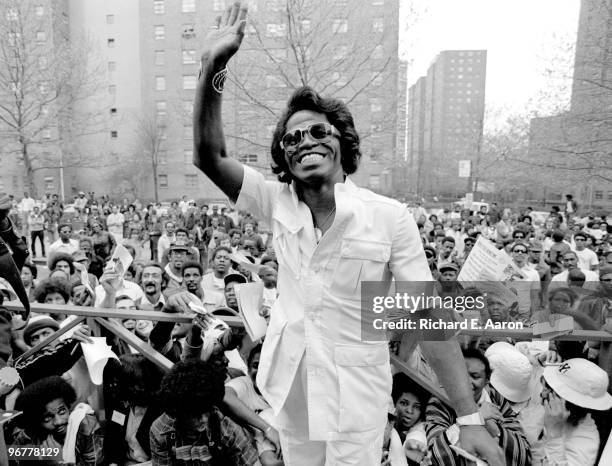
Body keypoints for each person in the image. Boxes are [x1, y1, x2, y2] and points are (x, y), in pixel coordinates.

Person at [192, 4, 505, 465]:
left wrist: (469, 417)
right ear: (284, 158)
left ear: (343, 142)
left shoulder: (389, 217)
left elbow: (424, 316)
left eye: (318, 131)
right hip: (292, 394)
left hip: (354, 401)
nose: (304, 142)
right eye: (291, 139)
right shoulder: (275, 202)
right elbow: (208, 155)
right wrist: (213, 68)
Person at [150, 359, 260, 465]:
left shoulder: (224, 427)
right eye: (195, 415)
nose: (204, 419)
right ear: (180, 413)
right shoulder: (161, 432)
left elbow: (250, 462)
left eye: (207, 411)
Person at [12, 376, 104, 465]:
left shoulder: (86, 426)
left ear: (68, 407)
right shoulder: (31, 434)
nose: (59, 421)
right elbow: (12, 458)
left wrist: (56, 463)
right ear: (37, 421)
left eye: (62, 411)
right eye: (47, 418)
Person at [538, 358, 612, 465]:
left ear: (570, 405)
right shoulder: (551, 405)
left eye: (549, 390)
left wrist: (555, 434)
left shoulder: (586, 442)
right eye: (545, 386)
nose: (542, 394)